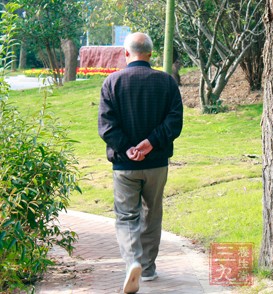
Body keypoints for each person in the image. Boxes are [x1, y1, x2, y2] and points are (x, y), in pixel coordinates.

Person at [98, 32, 183, 294]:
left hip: (124, 166)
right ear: (150, 54)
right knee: (152, 212)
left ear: (126, 53)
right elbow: (174, 121)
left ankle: (132, 260)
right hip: (157, 163)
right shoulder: (167, 82)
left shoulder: (112, 82)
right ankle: (147, 268)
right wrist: (151, 143)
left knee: (126, 216)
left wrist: (128, 148)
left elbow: (106, 126)